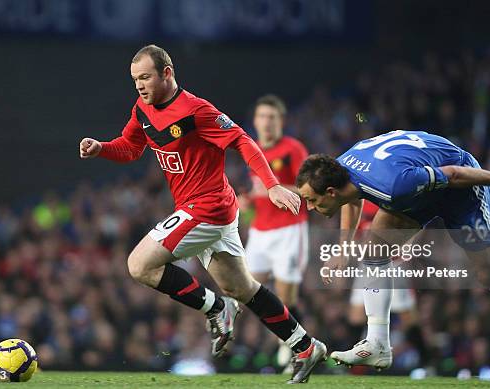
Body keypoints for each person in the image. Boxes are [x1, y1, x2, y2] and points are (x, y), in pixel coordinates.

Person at [79, 44, 326, 383]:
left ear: (167, 73)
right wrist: (102, 148)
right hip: (201, 208)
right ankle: (305, 346)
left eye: (146, 77)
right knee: (242, 288)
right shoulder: (142, 109)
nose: (139, 85)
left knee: (139, 265)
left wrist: (270, 185)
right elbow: (132, 147)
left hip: (208, 207)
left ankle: (216, 308)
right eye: (135, 79)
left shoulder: (197, 111)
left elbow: (242, 140)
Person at [295, 130, 490, 387]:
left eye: (311, 200)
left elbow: (453, 175)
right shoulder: (341, 170)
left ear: (329, 192)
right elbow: (351, 197)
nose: (310, 207)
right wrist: (344, 247)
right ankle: (378, 344)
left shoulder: (393, 186)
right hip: (419, 183)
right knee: (374, 252)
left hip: (460, 186)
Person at [239, 95, 309, 370]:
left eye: (272, 117)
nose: (267, 122)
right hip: (259, 232)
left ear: (281, 121)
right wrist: (247, 206)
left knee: (287, 299)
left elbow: (307, 191)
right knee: (245, 292)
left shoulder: (293, 149)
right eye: (262, 117)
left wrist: (273, 189)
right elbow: (255, 200)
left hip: (290, 230)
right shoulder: (252, 152)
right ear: (255, 121)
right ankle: (278, 343)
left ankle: (296, 349)